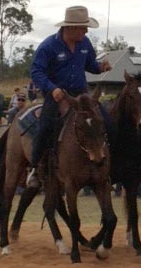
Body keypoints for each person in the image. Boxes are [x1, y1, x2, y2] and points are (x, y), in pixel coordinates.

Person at [27, 5, 112, 187]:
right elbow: (36, 71)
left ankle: (109, 166)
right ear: (70, 28)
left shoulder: (85, 43)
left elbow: (90, 64)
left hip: (81, 95)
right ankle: (35, 168)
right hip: (58, 95)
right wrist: (52, 88)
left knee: (105, 120)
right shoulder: (48, 46)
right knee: (46, 127)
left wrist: (100, 67)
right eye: (83, 27)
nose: (86, 30)